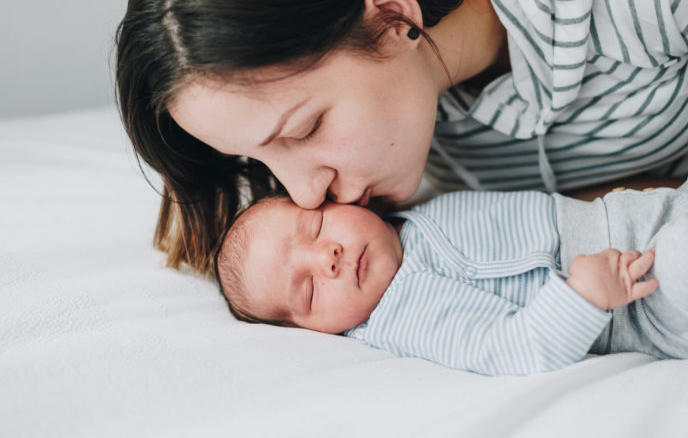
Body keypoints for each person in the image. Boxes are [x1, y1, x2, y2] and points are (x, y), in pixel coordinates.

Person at [116, 0, 688, 275]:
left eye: (307, 127)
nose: (305, 196)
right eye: (261, 160)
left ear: (392, 15)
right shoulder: (416, 138)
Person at [215, 183, 688, 376]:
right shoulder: (402, 316)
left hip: (643, 216)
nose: (328, 258)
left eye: (316, 227)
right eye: (311, 289)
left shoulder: (407, 214)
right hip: (641, 301)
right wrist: (584, 298)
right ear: (314, 333)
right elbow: (510, 348)